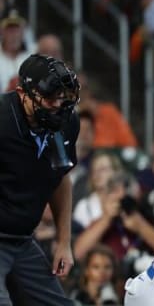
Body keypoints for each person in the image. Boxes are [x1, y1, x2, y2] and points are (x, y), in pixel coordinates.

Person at [0, 54, 81, 304]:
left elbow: (61, 175)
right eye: (50, 97)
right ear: (23, 94)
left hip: (22, 240)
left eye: (63, 97)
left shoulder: (66, 123)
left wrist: (64, 241)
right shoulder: (2, 121)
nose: (58, 104)